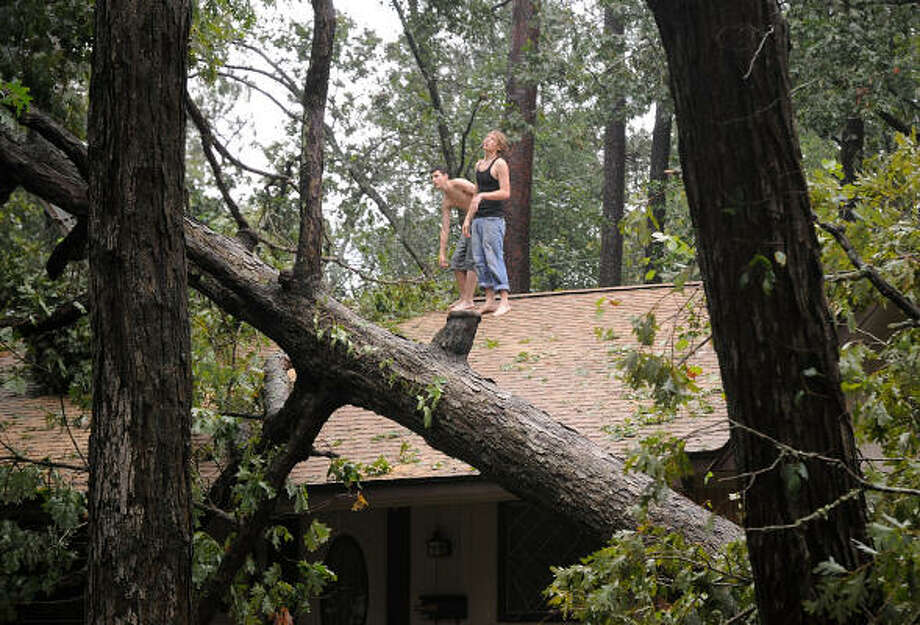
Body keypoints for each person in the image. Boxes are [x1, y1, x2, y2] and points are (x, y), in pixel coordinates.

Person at [462, 130, 511, 316]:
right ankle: (490, 300)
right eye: (486, 137)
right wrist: (468, 219)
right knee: (480, 260)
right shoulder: (479, 165)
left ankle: (504, 300)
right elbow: (475, 193)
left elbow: (506, 193)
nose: (486, 140)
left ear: (498, 146)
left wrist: (484, 195)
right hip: (478, 219)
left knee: (493, 257)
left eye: (491, 139)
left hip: (493, 219)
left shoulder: (500, 164)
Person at [431, 166, 478, 311]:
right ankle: (464, 297)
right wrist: (442, 253)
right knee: (456, 261)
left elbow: (479, 194)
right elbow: (445, 229)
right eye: (432, 178)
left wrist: (469, 218)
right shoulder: (446, 201)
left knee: (471, 260)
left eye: (437, 176)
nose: (434, 180)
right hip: (468, 224)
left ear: (446, 176)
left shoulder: (459, 183)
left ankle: (469, 300)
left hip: (481, 219)